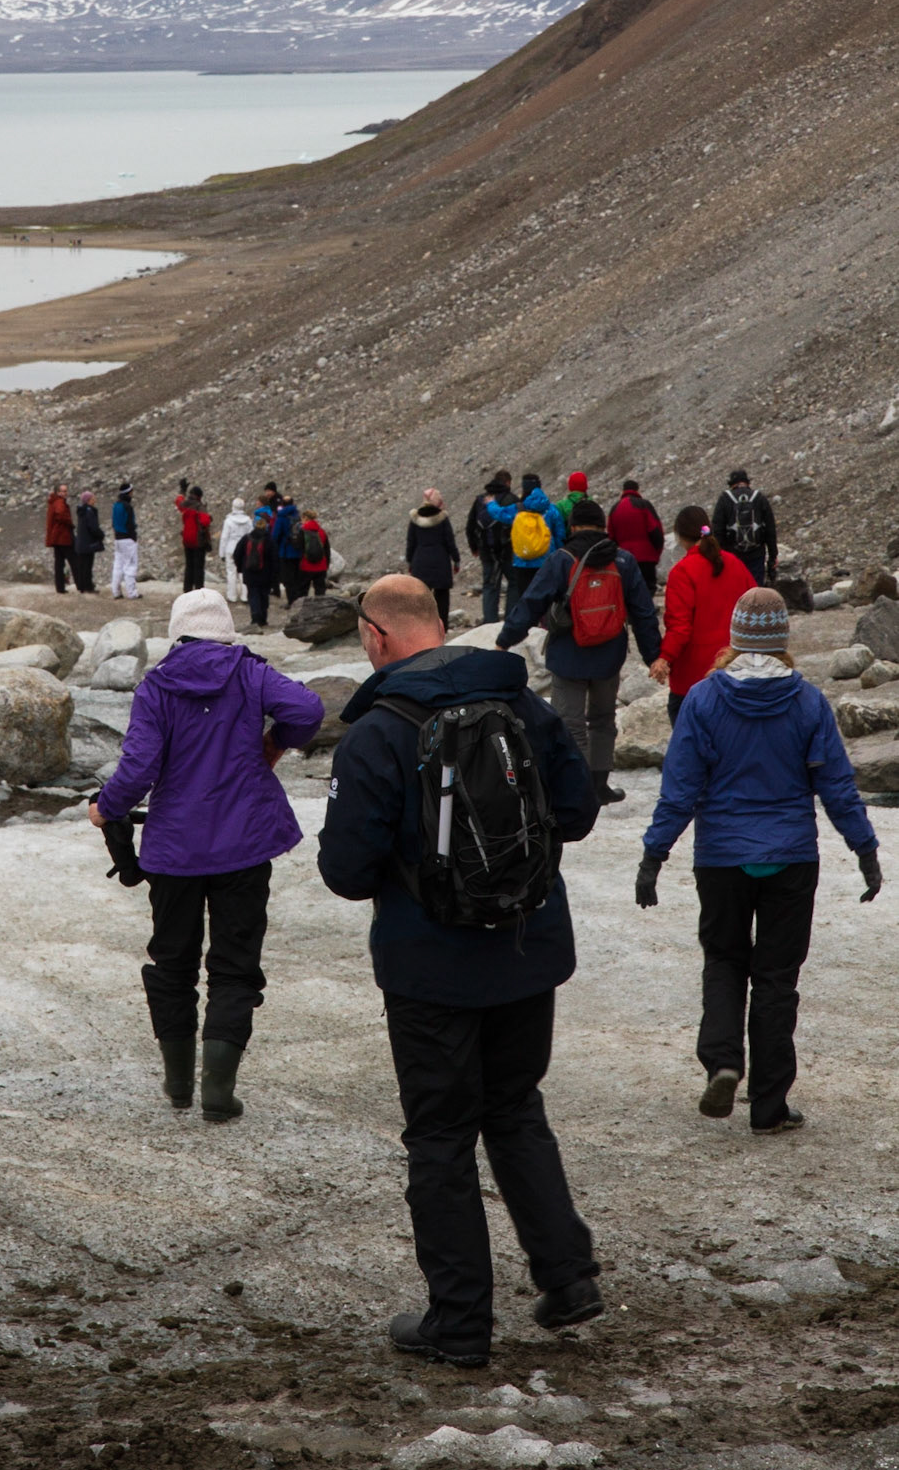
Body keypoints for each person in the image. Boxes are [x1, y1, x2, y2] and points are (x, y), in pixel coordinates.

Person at [318, 575, 602, 1367]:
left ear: (375, 637)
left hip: (428, 968)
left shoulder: (375, 733)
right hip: (524, 949)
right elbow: (575, 815)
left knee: (440, 1138)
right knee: (513, 1109)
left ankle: (459, 1322)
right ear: (439, 627)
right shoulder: (522, 705)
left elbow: (344, 871)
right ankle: (568, 1277)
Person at [637, 587, 882, 1133]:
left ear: (736, 637)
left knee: (724, 960)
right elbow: (837, 785)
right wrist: (864, 848)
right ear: (782, 641)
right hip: (791, 858)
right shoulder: (808, 702)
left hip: (722, 857)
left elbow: (679, 789)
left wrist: (654, 854)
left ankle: (723, 1062)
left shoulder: (702, 700)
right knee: (776, 978)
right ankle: (769, 1106)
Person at [91, 590, 323, 1120]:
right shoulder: (249, 673)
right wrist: (275, 743)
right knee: (235, 966)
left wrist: (106, 808)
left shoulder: (157, 685)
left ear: (178, 631)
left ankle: (178, 1086)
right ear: (225, 629)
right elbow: (308, 708)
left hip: (174, 850)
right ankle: (218, 1092)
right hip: (244, 844)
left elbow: (141, 763)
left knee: (172, 963)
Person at [499, 499, 661, 806]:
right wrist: (653, 655)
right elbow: (643, 612)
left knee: (570, 722)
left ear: (573, 527)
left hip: (568, 654)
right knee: (603, 719)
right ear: (603, 526)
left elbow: (532, 601)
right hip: (609, 655)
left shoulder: (561, 559)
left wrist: (505, 639)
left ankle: (577, 787)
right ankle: (600, 786)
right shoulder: (623, 561)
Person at [649, 507, 756, 725]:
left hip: (693, 677)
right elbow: (756, 609)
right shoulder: (735, 564)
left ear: (679, 536)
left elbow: (680, 627)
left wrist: (664, 658)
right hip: (736, 670)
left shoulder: (682, 572)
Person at [486, 473, 564, 618]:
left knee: (526, 600)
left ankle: (527, 630)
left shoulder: (519, 508)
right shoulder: (551, 509)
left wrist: (490, 503)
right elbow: (560, 535)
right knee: (546, 599)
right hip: (546, 561)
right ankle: (546, 628)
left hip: (523, 561)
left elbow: (500, 514)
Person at [711, 469, 778, 587]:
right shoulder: (759, 498)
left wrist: (719, 556)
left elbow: (717, 530)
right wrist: (773, 556)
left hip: (732, 556)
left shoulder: (724, 499)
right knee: (755, 589)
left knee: (735, 589)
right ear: (747, 482)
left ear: (731, 484)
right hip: (756, 554)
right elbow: (770, 529)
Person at [405, 488, 462, 626]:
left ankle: (421, 625)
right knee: (442, 596)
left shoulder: (415, 518)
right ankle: (442, 626)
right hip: (440, 562)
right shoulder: (442, 518)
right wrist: (456, 560)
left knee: (421, 596)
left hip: (420, 561)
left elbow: (411, 542)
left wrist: (410, 561)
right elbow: (450, 541)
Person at [467, 471, 515, 625]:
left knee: (489, 585)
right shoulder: (511, 499)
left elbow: (470, 525)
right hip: (508, 551)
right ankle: (511, 619)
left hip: (487, 552)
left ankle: (490, 622)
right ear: (507, 482)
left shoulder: (481, 500)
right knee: (514, 583)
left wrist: (475, 547)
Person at [606, 480, 665, 596]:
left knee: (628, 592)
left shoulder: (614, 509)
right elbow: (656, 530)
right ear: (638, 490)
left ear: (622, 491)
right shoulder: (644, 505)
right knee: (648, 590)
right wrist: (656, 553)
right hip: (646, 558)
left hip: (623, 560)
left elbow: (611, 536)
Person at [235, 506, 278, 628]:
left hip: (249, 572)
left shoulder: (246, 538)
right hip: (266, 573)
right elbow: (275, 559)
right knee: (264, 595)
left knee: (253, 594)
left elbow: (237, 554)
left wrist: (240, 568)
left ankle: (255, 618)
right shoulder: (270, 541)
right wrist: (275, 575)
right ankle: (263, 619)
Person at [174, 480, 213, 592]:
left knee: (189, 566)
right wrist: (209, 518)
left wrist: (182, 490)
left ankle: (187, 590)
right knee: (199, 568)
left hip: (187, 541)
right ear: (200, 496)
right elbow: (205, 522)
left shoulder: (185, 505)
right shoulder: (199, 507)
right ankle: (198, 590)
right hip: (198, 541)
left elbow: (178, 500)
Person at [219, 496, 253, 604]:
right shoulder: (248, 521)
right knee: (244, 573)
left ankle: (232, 596)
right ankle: (245, 596)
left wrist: (222, 553)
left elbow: (224, 538)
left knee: (231, 572)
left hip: (231, 548)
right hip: (244, 549)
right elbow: (251, 536)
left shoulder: (228, 520)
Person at [272, 493, 303, 606]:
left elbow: (275, 535)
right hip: (298, 551)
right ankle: (299, 598)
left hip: (285, 551)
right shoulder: (297, 515)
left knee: (288, 578)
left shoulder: (281, 517)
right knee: (297, 576)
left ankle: (291, 600)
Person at [111, 482, 140, 600]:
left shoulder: (116, 505)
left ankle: (116, 591)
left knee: (118, 565)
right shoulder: (127, 506)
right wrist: (133, 535)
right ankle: (132, 592)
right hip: (128, 538)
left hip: (118, 538)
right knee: (130, 565)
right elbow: (130, 523)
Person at [45, 482, 76, 595]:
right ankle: (81, 585)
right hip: (63, 537)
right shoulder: (59, 502)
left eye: (65, 491)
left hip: (56, 538)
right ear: (57, 492)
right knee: (74, 561)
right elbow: (61, 514)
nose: (64, 493)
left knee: (59, 563)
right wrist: (71, 524)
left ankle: (60, 587)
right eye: (62, 491)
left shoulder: (53, 502)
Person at [73, 488, 105, 594]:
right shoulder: (89, 512)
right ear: (89, 500)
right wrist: (101, 535)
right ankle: (88, 586)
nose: (94, 499)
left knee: (82, 565)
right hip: (88, 543)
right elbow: (93, 528)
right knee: (88, 565)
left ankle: (82, 586)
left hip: (81, 543)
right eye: (92, 498)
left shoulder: (82, 511)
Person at [297, 510, 331, 597]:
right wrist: (326, 565)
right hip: (321, 566)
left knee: (303, 591)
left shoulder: (302, 531)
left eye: (302, 519)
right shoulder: (322, 532)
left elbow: (299, 548)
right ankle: (319, 609)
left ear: (306, 518)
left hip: (306, 565)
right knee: (320, 591)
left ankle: (304, 609)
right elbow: (327, 550)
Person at [554, 471, 591, 536]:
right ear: (585, 486)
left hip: (571, 542)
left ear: (570, 486)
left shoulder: (561, 505)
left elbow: (558, 530)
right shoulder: (592, 502)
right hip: (593, 541)